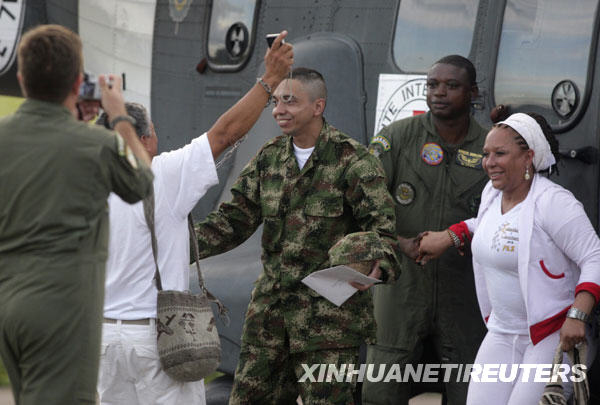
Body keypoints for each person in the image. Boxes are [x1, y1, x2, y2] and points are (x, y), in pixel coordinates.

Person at [95, 32, 293, 405]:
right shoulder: (160, 175)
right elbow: (225, 135)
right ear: (147, 139)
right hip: (156, 338)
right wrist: (269, 80)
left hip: (105, 339)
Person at [193, 67, 400, 404]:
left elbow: (383, 233)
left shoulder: (355, 162)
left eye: (289, 101)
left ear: (318, 106)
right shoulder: (269, 159)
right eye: (275, 102)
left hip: (328, 323)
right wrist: (173, 246)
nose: (278, 110)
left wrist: (375, 266)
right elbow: (232, 222)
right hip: (269, 318)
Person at [0, 25, 153, 405]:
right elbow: (142, 181)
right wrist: (119, 119)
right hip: (62, 309)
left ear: (21, 79)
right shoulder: (97, 145)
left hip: (8, 304)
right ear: (75, 83)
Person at [417, 112, 600, 404]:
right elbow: (489, 226)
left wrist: (578, 315)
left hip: (551, 334)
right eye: (487, 154)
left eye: (500, 154)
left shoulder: (553, 202)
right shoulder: (492, 192)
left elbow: (594, 256)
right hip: (502, 331)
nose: (489, 162)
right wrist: (449, 236)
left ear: (528, 157)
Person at [362, 55, 488, 404]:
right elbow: (361, 200)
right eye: (433, 85)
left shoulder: (489, 147)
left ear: (473, 92)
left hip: (464, 289)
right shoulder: (400, 137)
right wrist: (396, 243)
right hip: (402, 288)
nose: (439, 93)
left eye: (452, 86)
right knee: (381, 390)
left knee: (470, 390)